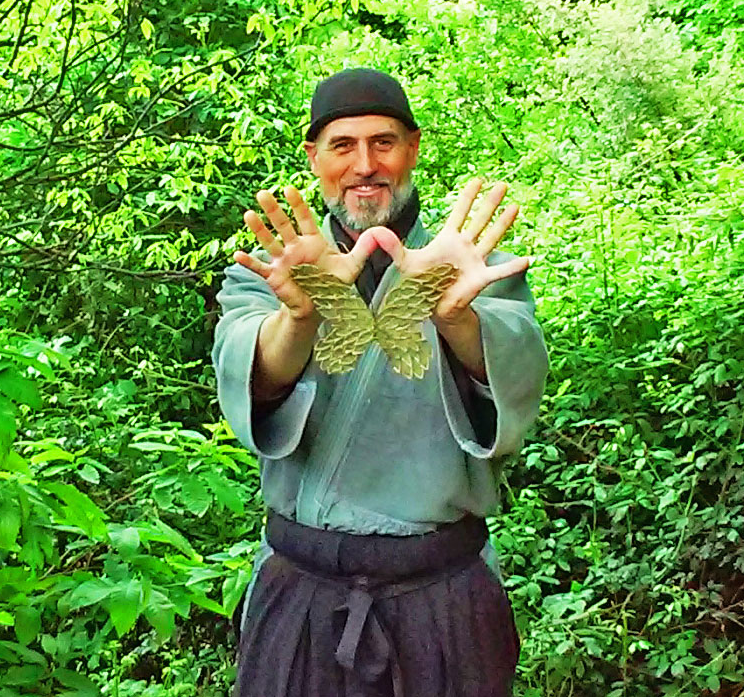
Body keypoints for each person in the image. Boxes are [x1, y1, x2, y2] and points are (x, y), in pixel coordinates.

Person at [211, 68, 548, 697]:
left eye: (383, 142)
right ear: (314, 158)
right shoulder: (274, 273)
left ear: (412, 149)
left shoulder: (473, 266)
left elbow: (517, 378)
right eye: (343, 145)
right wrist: (301, 314)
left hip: (441, 595)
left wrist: (456, 316)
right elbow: (250, 373)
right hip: (303, 592)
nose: (365, 164)